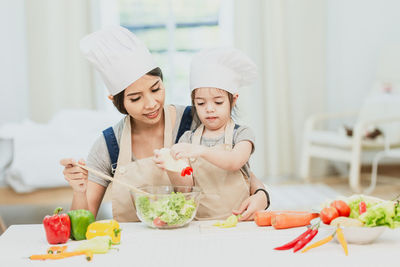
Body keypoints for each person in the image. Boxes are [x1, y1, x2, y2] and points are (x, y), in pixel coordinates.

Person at [60, 26, 269, 222]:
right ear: (116, 101)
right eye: (135, 98)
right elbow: (82, 222)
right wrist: (79, 189)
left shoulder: (195, 119)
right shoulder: (109, 145)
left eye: (155, 89)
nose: (151, 104)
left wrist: (261, 194)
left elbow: (235, 170)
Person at [154, 47, 269, 220]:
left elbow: (234, 162)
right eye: (200, 103)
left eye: (218, 102)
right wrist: (172, 166)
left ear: (233, 99)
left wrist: (201, 151)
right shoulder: (188, 138)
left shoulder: (242, 134)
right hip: (200, 223)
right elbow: (185, 188)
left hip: (241, 221)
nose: (209, 109)